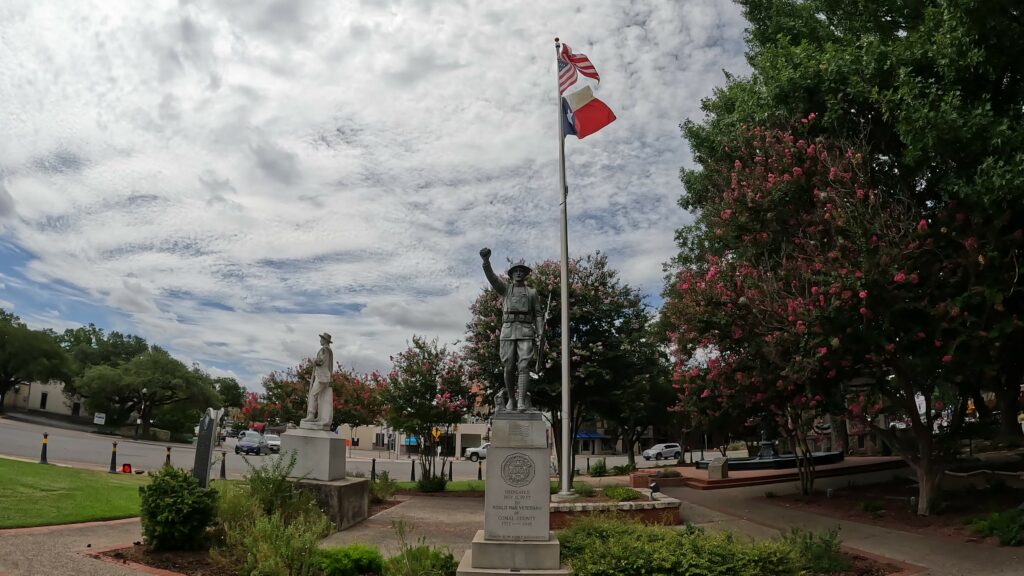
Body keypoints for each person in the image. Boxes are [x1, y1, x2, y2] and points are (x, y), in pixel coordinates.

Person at [480, 247, 542, 411]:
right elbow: (493, 279)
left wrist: (541, 332)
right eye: (516, 271)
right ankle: (512, 399)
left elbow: (539, 314)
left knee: (524, 366)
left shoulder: (532, 292)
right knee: (508, 366)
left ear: (526, 274)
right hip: (508, 330)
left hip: (526, 330)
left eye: (522, 271)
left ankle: (521, 401)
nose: (519, 273)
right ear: (511, 274)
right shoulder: (506, 289)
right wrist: (486, 262)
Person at [301, 332, 334, 428]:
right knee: (320, 397)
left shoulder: (324, 350)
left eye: (321, 339)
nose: (320, 340)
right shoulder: (329, 350)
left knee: (313, 394)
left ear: (325, 340)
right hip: (324, 377)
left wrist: (313, 361)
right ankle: (320, 417)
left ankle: (311, 414)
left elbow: (320, 361)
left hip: (322, 377)